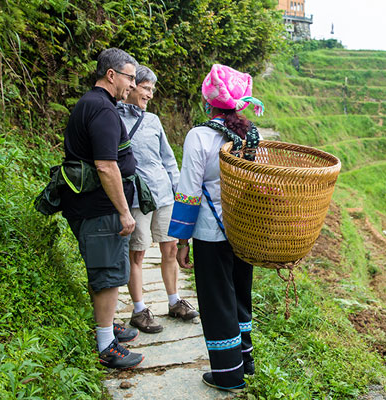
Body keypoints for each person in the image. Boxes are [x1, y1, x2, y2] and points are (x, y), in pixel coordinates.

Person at [168, 64, 265, 392]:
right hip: (244, 230)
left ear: (209, 103)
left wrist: (182, 240)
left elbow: (188, 191)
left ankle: (228, 373)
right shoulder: (252, 135)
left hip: (211, 233)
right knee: (239, 293)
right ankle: (246, 360)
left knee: (218, 298)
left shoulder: (200, 137)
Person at [60, 48, 143, 369]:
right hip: (99, 208)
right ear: (111, 75)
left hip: (88, 205)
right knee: (108, 274)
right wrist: (124, 211)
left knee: (104, 268)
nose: (133, 86)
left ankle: (107, 327)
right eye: (130, 78)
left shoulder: (89, 104)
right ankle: (106, 344)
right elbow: (107, 166)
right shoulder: (103, 111)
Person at [117, 65, 199, 334]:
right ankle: (139, 310)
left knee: (170, 248)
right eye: (145, 88)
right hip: (136, 198)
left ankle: (174, 302)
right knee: (137, 252)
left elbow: (167, 159)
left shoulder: (152, 121)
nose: (150, 94)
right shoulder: (113, 117)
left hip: (163, 195)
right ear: (131, 86)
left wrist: (178, 192)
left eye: (152, 89)